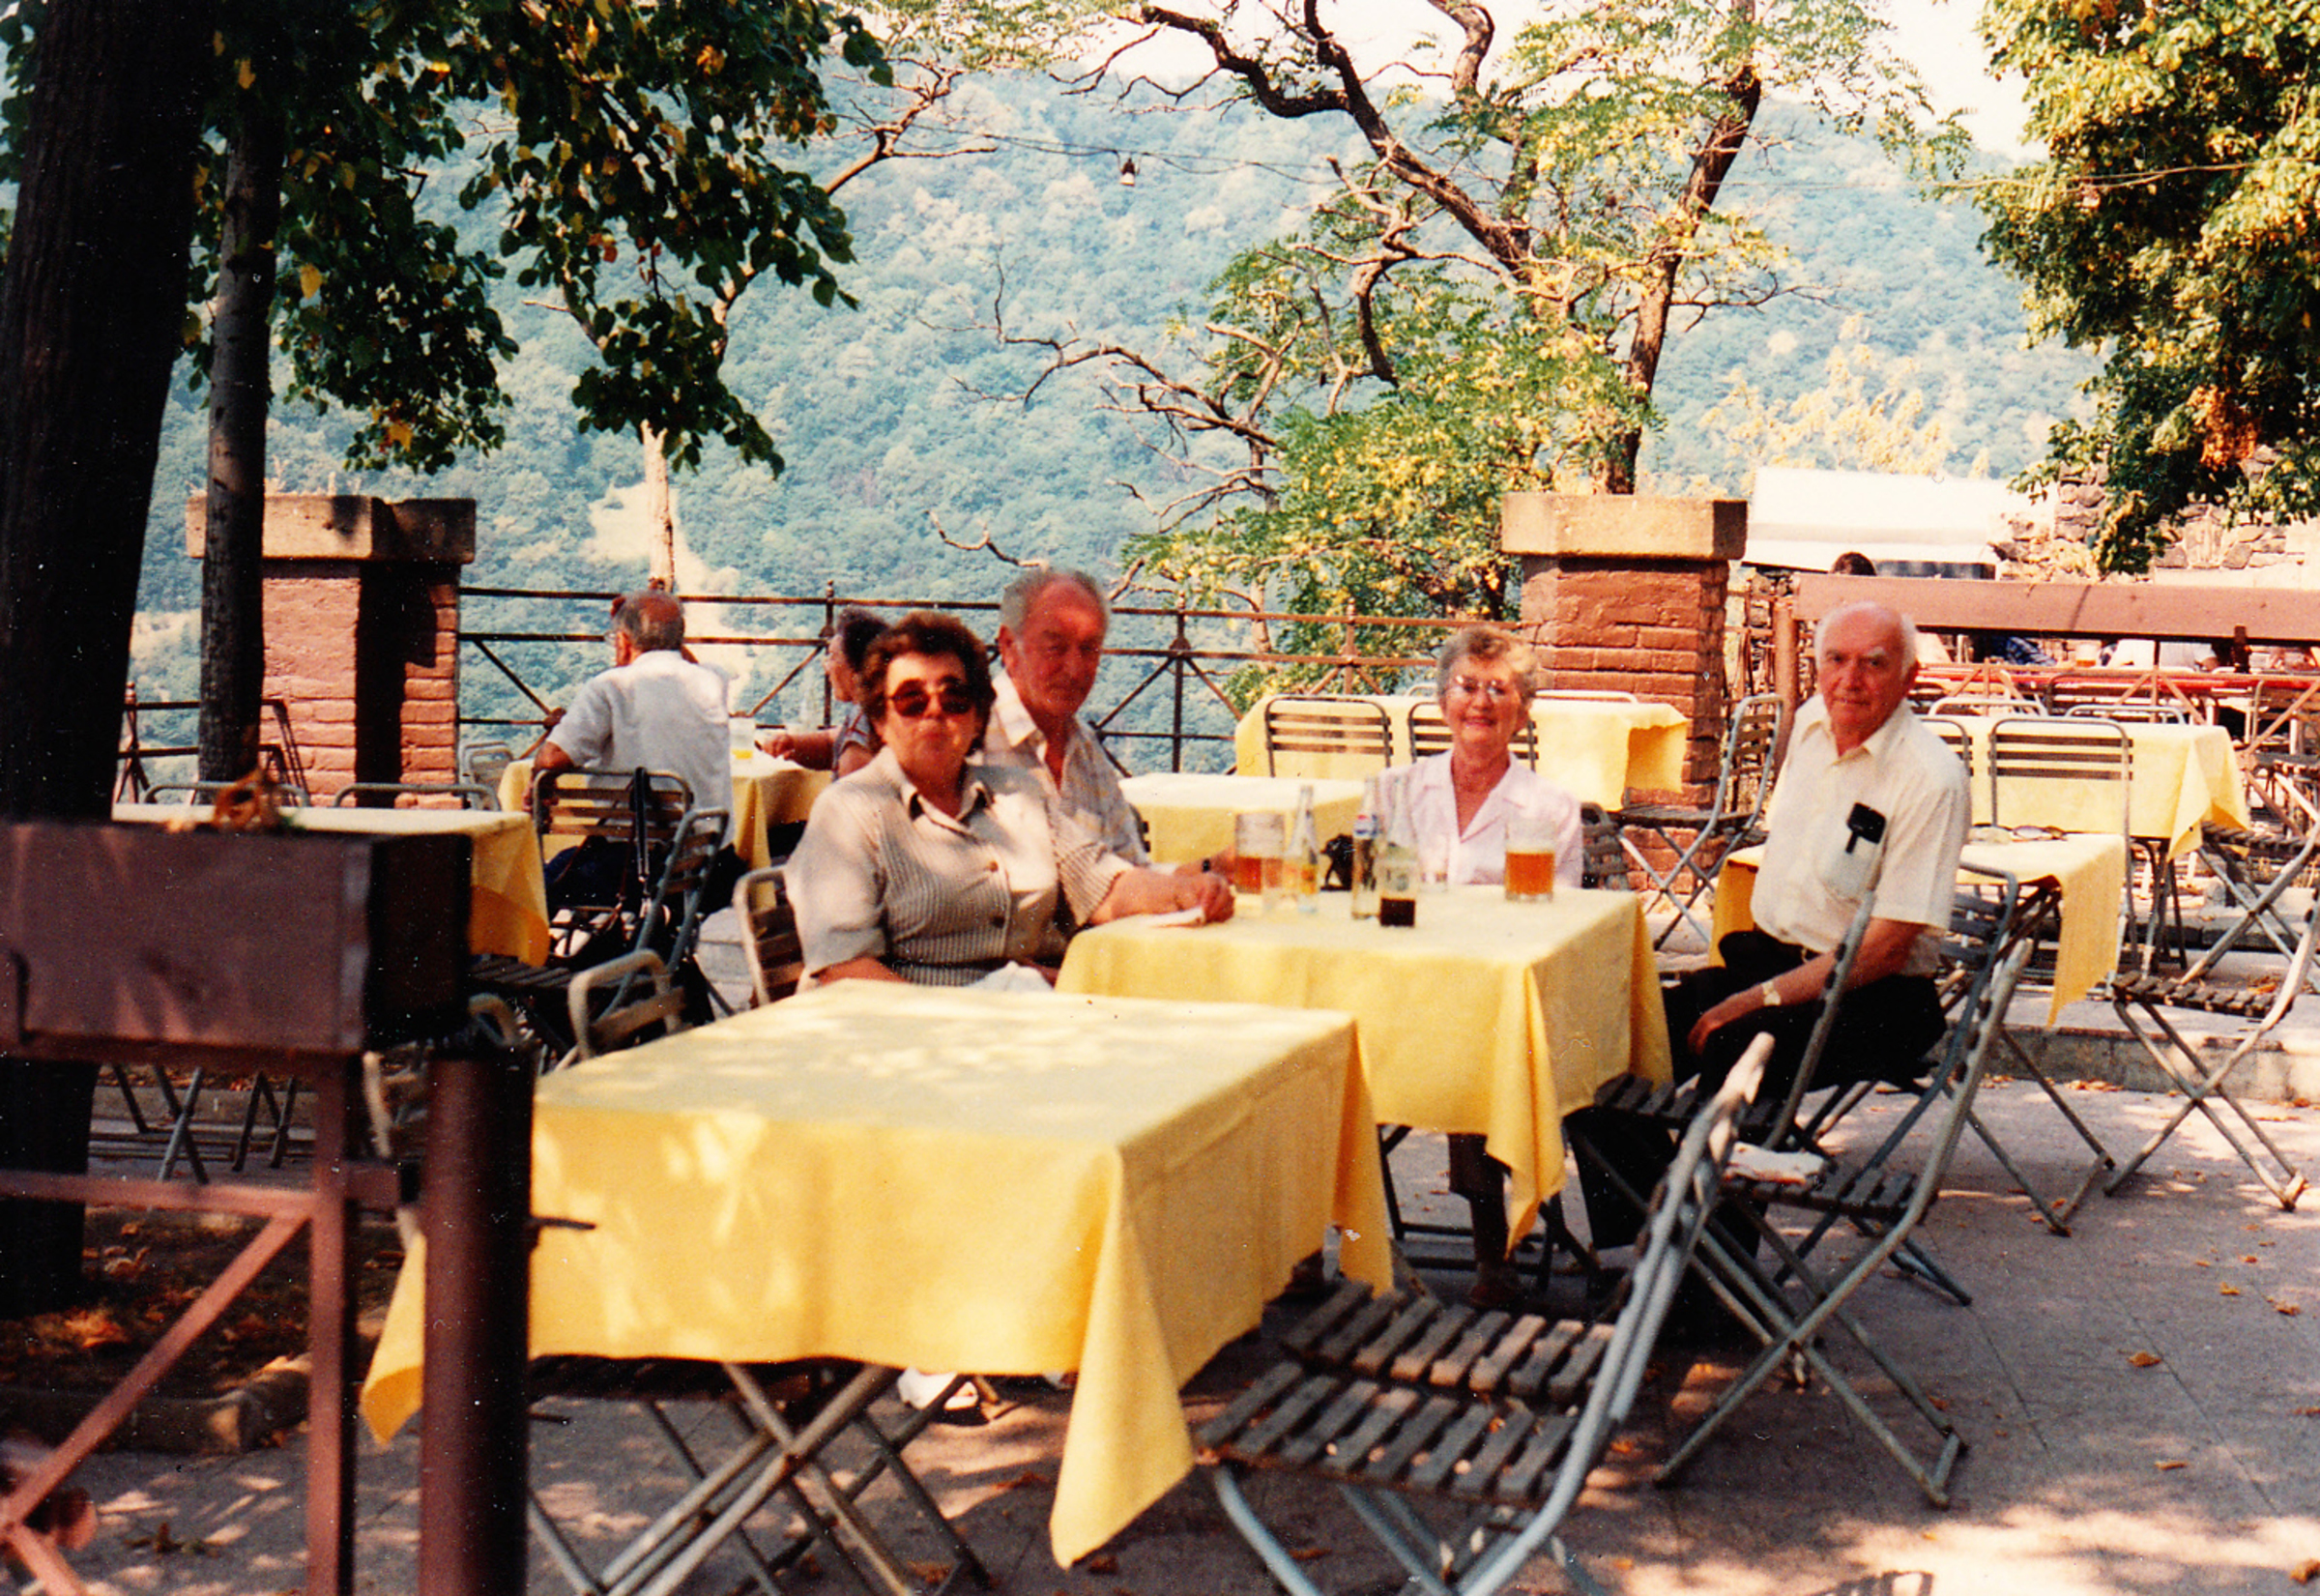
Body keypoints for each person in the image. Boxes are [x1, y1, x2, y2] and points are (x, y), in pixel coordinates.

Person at [1572, 601, 1970, 1257]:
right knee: (1595, 1039)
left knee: (1737, 1050)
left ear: (1909, 677)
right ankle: (1652, 1236)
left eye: (1874, 664)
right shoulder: (1810, 725)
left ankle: (1709, 1283)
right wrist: (1754, 990)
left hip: (1875, 996)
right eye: (1836, 659)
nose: (1851, 679)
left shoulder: (1929, 777)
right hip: (1772, 963)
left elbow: (1884, 949)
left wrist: (1757, 999)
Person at [787, 610, 1232, 988]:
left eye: (955, 696)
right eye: (911, 700)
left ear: (977, 715)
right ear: (881, 720)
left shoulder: (1019, 794)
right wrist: (976, 1012)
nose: (935, 711)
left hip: (1029, 1011)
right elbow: (846, 970)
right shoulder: (847, 814)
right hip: (913, 1032)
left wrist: (1184, 891)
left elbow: (1103, 885)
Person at [1377, 624, 1583, 1309]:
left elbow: (1560, 925)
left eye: (1500, 689)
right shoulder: (1393, 791)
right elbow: (1362, 894)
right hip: (1397, 995)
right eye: (1467, 686)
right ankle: (1306, 1250)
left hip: (1491, 1004)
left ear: (1523, 710)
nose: (1481, 702)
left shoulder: (1550, 808)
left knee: (1475, 1040)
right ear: (1442, 700)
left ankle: (1493, 1251)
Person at [535, 590, 732, 843]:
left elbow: (550, 760)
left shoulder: (609, 686)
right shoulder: (713, 679)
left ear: (622, 641)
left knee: (553, 868)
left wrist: (535, 782)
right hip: (710, 857)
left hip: (629, 857)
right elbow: (678, 660)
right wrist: (661, 634)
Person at [980, 568, 1149, 863]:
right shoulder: (971, 738)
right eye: (1055, 648)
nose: (1074, 669)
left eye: (1089, 649)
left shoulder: (1084, 749)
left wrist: (1212, 866)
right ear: (1008, 647)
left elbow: (1133, 870)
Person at [761, 607, 884, 775]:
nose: (826, 668)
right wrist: (792, 743)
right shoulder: (869, 712)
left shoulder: (860, 737)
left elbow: (852, 788)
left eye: (832, 657)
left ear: (857, 672)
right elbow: (832, 741)